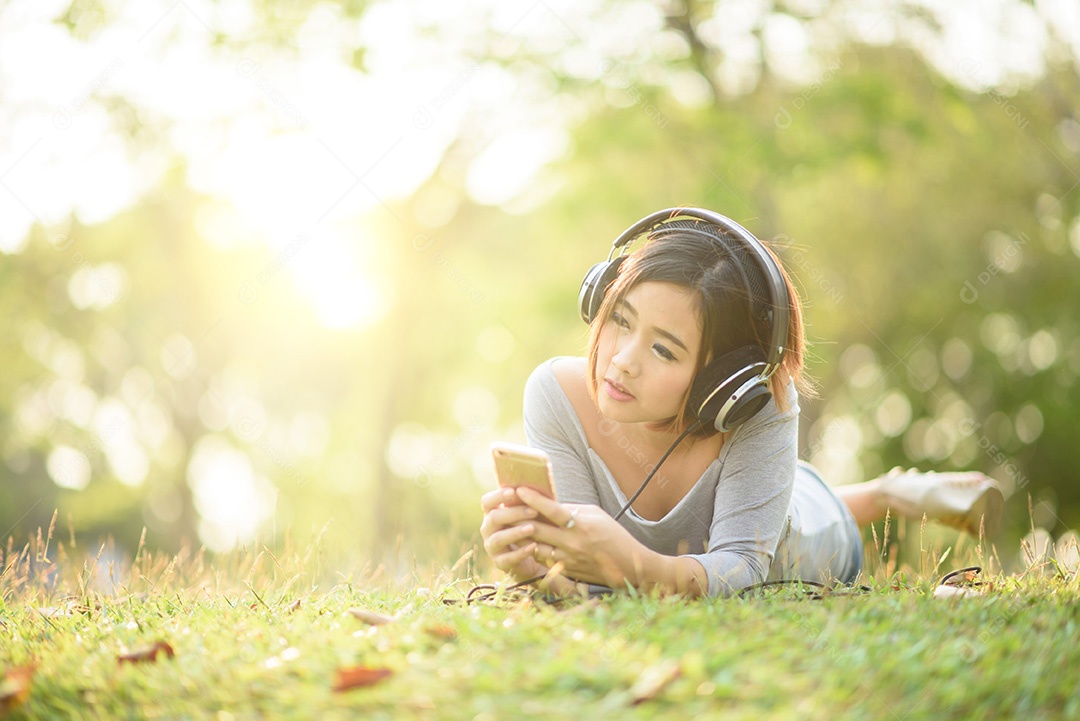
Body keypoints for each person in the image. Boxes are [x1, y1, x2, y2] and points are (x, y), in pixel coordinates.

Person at [479, 209, 1003, 598]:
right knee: (775, 492)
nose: (621, 361)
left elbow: (744, 569)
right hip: (766, 495)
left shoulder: (760, 405)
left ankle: (891, 496)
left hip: (807, 534)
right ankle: (892, 490)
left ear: (721, 381)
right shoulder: (555, 397)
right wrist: (535, 570)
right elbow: (588, 589)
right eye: (620, 319)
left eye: (664, 349)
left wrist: (637, 565)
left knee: (802, 511)